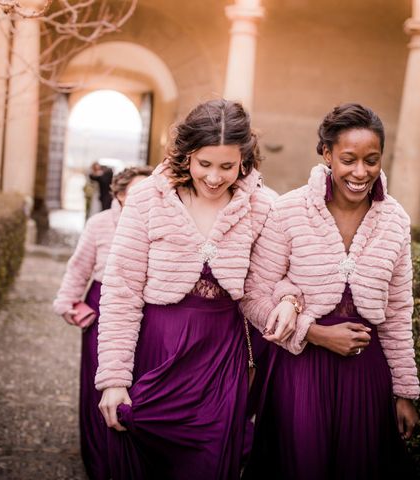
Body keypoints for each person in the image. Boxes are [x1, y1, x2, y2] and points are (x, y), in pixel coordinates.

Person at [94, 98, 295, 480]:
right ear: (186, 155)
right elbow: (121, 291)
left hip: (219, 363)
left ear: (244, 161)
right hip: (154, 353)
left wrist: (286, 301)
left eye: (227, 166)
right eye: (205, 164)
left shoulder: (263, 207)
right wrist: (115, 380)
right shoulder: (146, 199)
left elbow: (266, 284)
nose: (215, 178)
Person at [241, 103, 420, 479]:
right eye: (348, 159)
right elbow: (254, 298)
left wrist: (404, 391)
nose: (360, 172)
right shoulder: (288, 210)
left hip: (365, 375)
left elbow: (399, 311)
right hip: (298, 371)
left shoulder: (395, 221)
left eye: (371, 160)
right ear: (326, 154)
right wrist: (315, 333)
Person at [53, 166, 152, 480]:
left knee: (136, 386)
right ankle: (100, 459)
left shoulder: (158, 226)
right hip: (100, 307)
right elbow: (78, 268)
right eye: (136, 193)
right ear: (119, 195)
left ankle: (135, 456)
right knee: (102, 384)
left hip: (145, 312)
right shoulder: (99, 224)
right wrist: (69, 303)